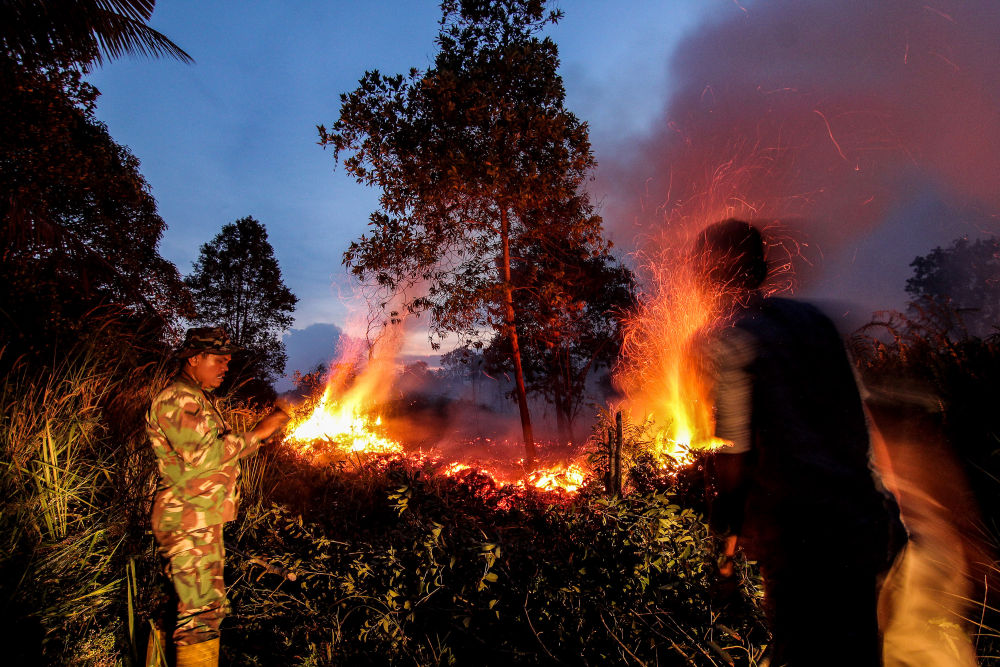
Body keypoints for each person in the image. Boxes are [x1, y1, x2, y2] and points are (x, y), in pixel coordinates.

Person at [695, 219, 894, 667]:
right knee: (859, 653)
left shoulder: (725, 338)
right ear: (763, 268)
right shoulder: (815, 321)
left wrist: (724, 558)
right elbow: (858, 419)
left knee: (801, 652)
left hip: (799, 539)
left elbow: (734, 457)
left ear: (703, 272)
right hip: (861, 522)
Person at [145, 327, 289, 667]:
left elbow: (216, 455)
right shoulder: (177, 399)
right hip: (187, 520)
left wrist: (258, 439)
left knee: (191, 605)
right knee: (201, 611)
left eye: (228, 361)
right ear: (194, 359)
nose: (226, 367)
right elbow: (204, 455)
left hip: (199, 518)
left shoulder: (196, 400)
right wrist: (257, 432)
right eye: (219, 360)